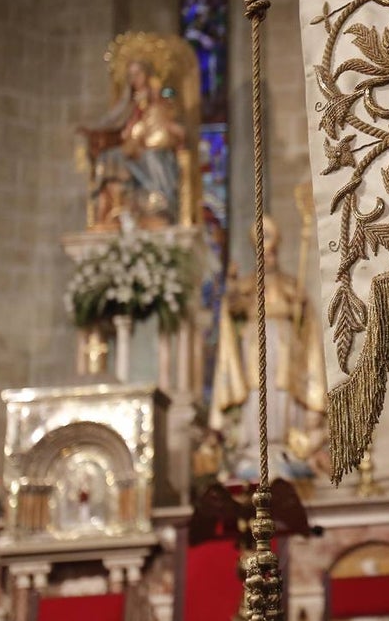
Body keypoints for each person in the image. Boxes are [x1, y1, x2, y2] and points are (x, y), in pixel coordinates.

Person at [210, 216, 328, 481]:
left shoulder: (290, 284)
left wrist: (300, 305)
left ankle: (286, 444)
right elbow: (233, 308)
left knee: (282, 391)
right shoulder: (247, 284)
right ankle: (255, 449)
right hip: (254, 346)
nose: (269, 252)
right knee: (258, 391)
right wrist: (230, 286)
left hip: (286, 351)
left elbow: (306, 322)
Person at [78, 59, 186, 229]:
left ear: (147, 75)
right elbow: (113, 122)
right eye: (130, 76)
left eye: (138, 74)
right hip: (131, 149)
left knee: (152, 157)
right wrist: (94, 131)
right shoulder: (129, 104)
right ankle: (110, 213)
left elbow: (169, 127)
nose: (134, 79)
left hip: (153, 150)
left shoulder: (158, 101)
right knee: (107, 158)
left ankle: (159, 207)